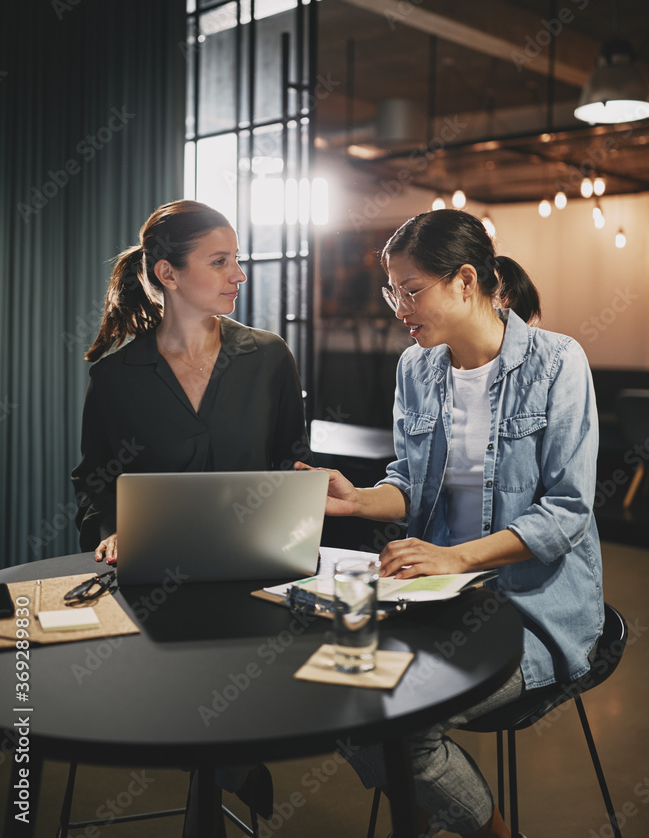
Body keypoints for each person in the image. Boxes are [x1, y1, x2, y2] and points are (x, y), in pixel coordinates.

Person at [296, 209, 603, 838]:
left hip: (531, 607)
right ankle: (442, 816)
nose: (399, 308)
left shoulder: (557, 363)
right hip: (439, 597)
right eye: (392, 292)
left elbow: (568, 512)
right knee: (340, 696)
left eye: (412, 291)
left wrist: (457, 558)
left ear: (466, 281)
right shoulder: (417, 368)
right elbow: (411, 482)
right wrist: (358, 501)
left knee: (401, 723)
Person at [71, 199, 312, 836]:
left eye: (238, 260)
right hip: (153, 588)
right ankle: (224, 769)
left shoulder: (269, 358)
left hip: (256, 584)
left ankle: (225, 767)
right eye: (221, 261)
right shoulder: (117, 378)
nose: (240, 274)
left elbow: (292, 462)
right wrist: (109, 532)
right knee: (192, 716)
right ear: (168, 273)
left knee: (232, 711)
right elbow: (94, 484)